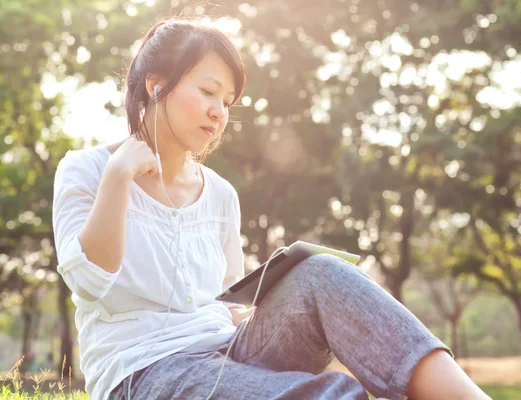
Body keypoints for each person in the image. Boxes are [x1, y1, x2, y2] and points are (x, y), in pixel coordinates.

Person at [52, 17, 491, 400]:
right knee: (333, 395)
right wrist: (118, 176)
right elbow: (89, 283)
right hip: (142, 374)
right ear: (156, 84)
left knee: (321, 271)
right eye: (207, 91)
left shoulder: (220, 194)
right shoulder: (88, 170)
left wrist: (271, 318)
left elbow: (227, 308)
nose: (218, 112)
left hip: (226, 353)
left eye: (227, 102)